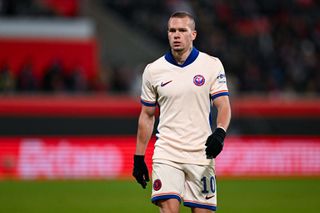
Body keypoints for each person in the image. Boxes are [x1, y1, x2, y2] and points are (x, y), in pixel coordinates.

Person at [133, 11, 231, 213]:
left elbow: (223, 105)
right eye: (172, 30)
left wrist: (220, 132)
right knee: (168, 209)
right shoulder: (153, 70)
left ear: (193, 34)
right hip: (167, 153)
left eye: (182, 30)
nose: (176, 35)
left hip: (201, 153)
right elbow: (147, 115)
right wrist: (138, 157)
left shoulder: (211, 65)